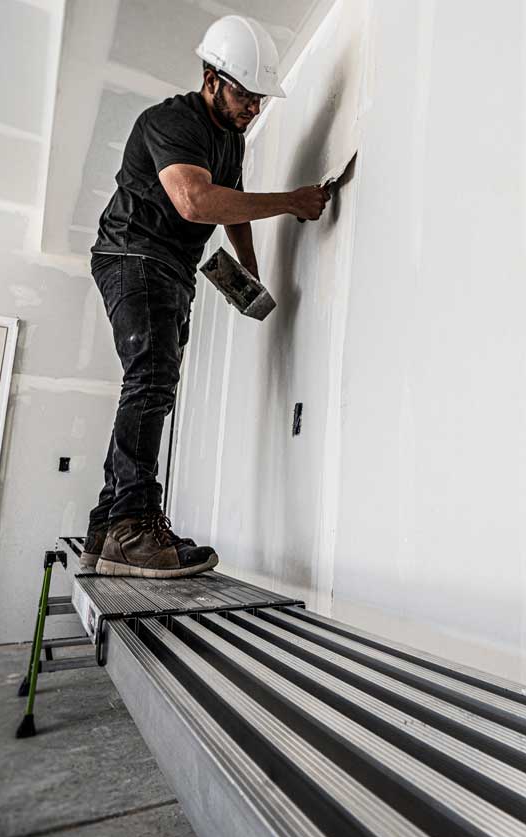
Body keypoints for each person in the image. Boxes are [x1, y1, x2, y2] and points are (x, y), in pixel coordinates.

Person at [82, 15, 330, 578]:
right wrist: (292, 200)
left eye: (261, 99)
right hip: (134, 255)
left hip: (171, 266)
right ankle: (132, 526)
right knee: (150, 379)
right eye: (246, 95)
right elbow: (196, 203)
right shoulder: (171, 121)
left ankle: (106, 530)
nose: (254, 109)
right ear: (211, 78)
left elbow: (230, 200)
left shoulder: (229, 138)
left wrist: (251, 271)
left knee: (151, 381)